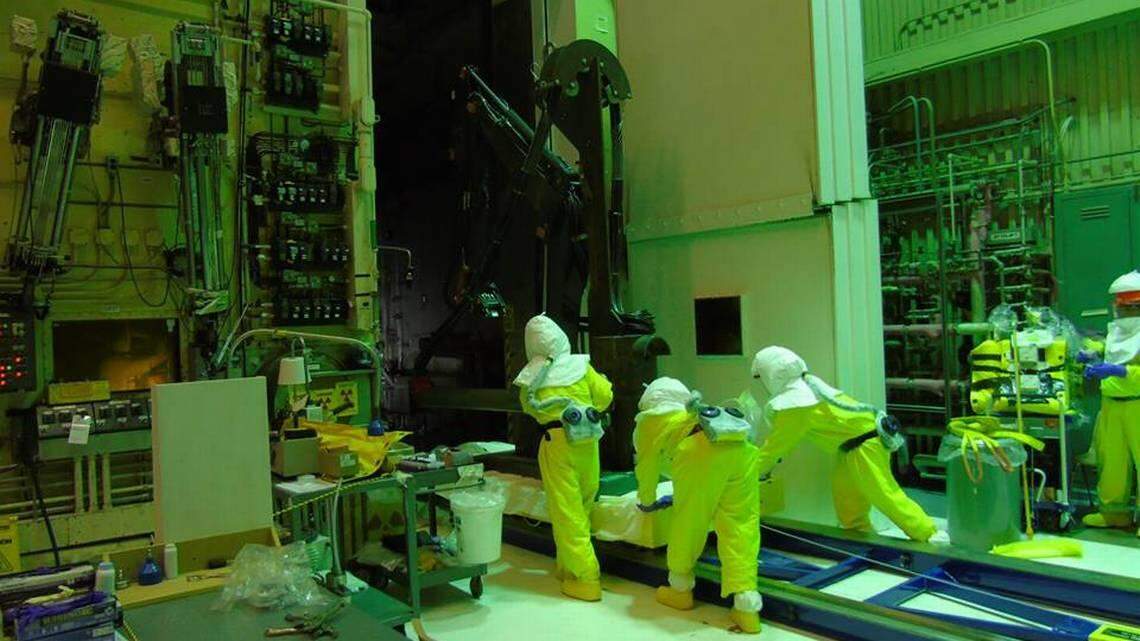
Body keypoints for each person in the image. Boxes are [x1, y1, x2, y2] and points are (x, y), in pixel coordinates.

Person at [750, 346, 946, 543]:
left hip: (864, 444)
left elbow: (775, 447)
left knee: (883, 492)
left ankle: (928, 534)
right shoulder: (809, 387)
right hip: (851, 446)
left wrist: (747, 472)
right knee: (847, 498)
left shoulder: (797, 405)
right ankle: (861, 538)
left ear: (771, 374)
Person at [633, 377, 762, 633]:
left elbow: (646, 465)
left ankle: (679, 590)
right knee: (741, 526)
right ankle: (746, 607)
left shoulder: (649, 421)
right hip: (742, 450)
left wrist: (646, 501)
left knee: (689, 521)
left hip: (700, 453)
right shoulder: (692, 415)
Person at [514, 314, 613, 601]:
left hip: (556, 442)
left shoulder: (531, 376)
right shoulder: (582, 367)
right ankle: (569, 566)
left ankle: (584, 578)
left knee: (566, 512)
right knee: (582, 506)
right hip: (588, 439)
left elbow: (530, 410)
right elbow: (605, 398)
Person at [1079, 270, 1140, 534]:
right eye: (1120, 306)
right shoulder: (1116, 331)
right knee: (1112, 462)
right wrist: (1091, 356)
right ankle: (1114, 515)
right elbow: (1111, 350)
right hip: (1111, 404)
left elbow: (1124, 365)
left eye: (1129, 306)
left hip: (1137, 404)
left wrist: (1119, 371)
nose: (1123, 312)